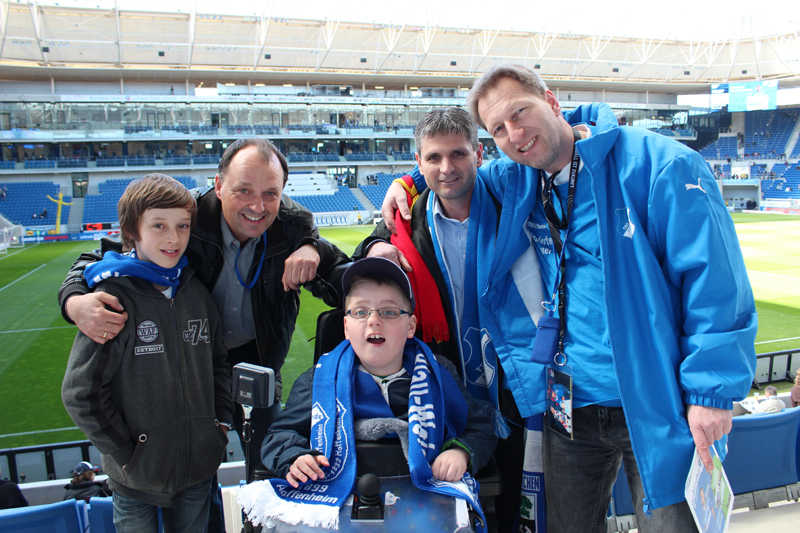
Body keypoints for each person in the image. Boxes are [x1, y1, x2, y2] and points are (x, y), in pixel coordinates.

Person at [382, 63, 757, 532]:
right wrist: (402, 188)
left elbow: (717, 285)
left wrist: (710, 392)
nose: (514, 134)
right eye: (498, 128)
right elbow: (448, 171)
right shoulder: (517, 178)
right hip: (569, 402)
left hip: (658, 398)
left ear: (552, 100)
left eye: (521, 113)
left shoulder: (660, 164)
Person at [58, 138, 350, 481]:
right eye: (244, 190)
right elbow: (101, 257)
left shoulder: (291, 227)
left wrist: (315, 250)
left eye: (270, 193)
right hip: (198, 360)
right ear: (219, 186)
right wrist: (74, 301)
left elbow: (341, 276)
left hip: (260, 358)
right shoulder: (188, 221)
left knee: (269, 460)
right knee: (197, 463)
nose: (258, 206)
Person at [352, 107, 540, 532]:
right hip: (448, 392)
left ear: (479, 154)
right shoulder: (408, 222)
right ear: (417, 164)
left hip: (516, 384)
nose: (447, 167)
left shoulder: (511, 203)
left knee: (519, 499)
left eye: (458, 154)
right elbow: (370, 259)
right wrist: (372, 246)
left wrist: (406, 181)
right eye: (433, 158)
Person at [251, 257, 496, 528]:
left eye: (389, 312)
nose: (374, 321)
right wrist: (295, 457)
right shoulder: (318, 381)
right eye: (360, 312)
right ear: (346, 327)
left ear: (411, 326)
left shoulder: (440, 375)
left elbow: (480, 428)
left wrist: (461, 452)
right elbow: (278, 436)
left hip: (423, 512)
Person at [61, 174, 234, 532]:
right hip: (134, 478)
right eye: (158, 226)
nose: (173, 238)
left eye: (182, 226)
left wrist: (218, 427)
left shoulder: (197, 294)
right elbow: (80, 393)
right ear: (132, 230)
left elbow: (219, 363)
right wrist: (127, 453)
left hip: (198, 470)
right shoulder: (113, 300)